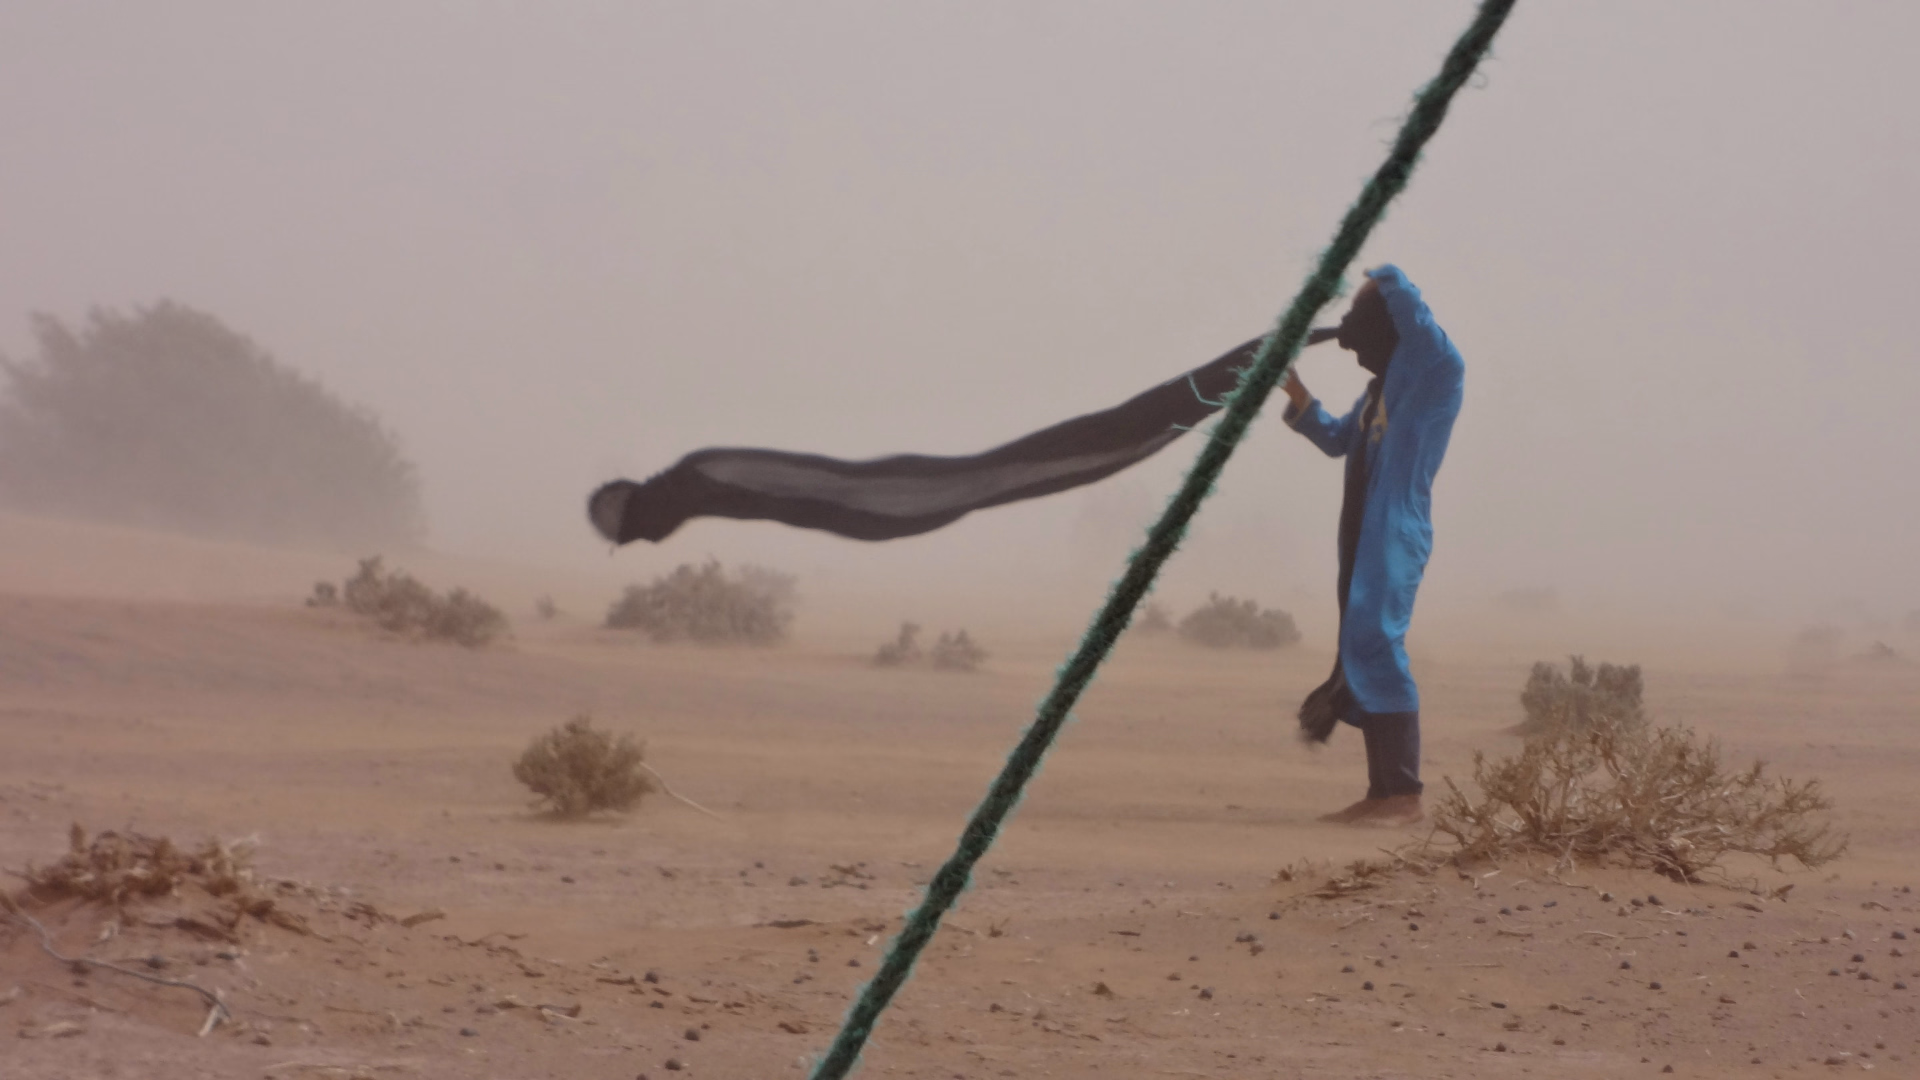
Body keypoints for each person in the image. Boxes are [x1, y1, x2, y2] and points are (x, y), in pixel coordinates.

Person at [1279, 265, 1464, 827]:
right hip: (1363, 529)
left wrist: (1384, 276)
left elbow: (1412, 313)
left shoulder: (1436, 367)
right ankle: (1381, 793)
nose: (1352, 338)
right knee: (1362, 645)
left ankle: (1403, 795)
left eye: (1361, 322)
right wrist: (1296, 393)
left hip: (1397, 529)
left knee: (1378, 643)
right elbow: (1338, 439)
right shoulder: (1376, 392)